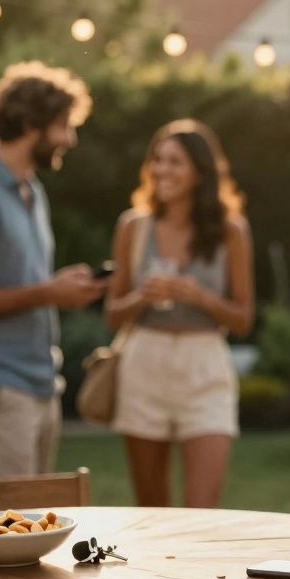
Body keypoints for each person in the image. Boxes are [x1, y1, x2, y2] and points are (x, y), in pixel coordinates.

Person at [0, 61, 106, 477]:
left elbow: (25, 283)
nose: (70, 138)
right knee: (10, 530)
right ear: (32, 123)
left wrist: (59, 288)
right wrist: (48, 293)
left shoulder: (30, 189)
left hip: (36, 382)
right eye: (63, 125)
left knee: (35, 529)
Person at [105, 119, 253, 508]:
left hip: (204, 365)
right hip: (144, 362)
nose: (161, 170)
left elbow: (243, 319)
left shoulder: (231, 231)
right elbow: (113, 314)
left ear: (199, 173)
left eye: (174, 162)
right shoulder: (133, 227)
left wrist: (200, 296)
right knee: (152, 510)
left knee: (201, 512)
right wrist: (142, 296)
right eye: (157, 160)